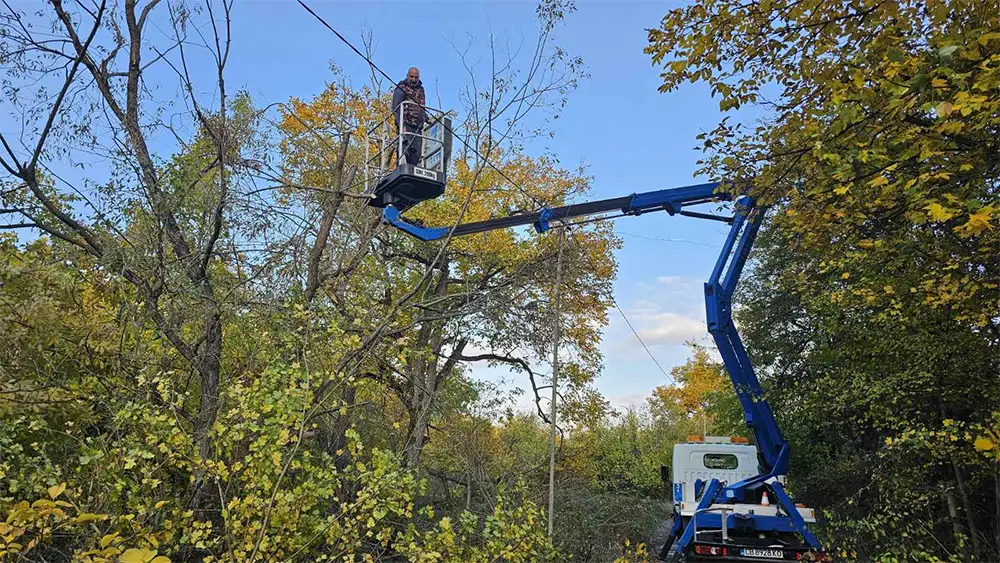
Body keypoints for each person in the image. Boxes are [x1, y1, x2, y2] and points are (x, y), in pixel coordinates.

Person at [392, 67, 427, 166]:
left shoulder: (421, 89)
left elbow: (422, 106)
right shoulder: (401, 87)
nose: (413, 79)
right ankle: (402, 168)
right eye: (411, 76)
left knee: (416, 153)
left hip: (418, 126)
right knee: (404, 149)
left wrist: (425, 116)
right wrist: (401, 124)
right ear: (407, 75)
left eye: (416, 77)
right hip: (405, 124)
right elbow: (396, 107)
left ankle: (414, 169)